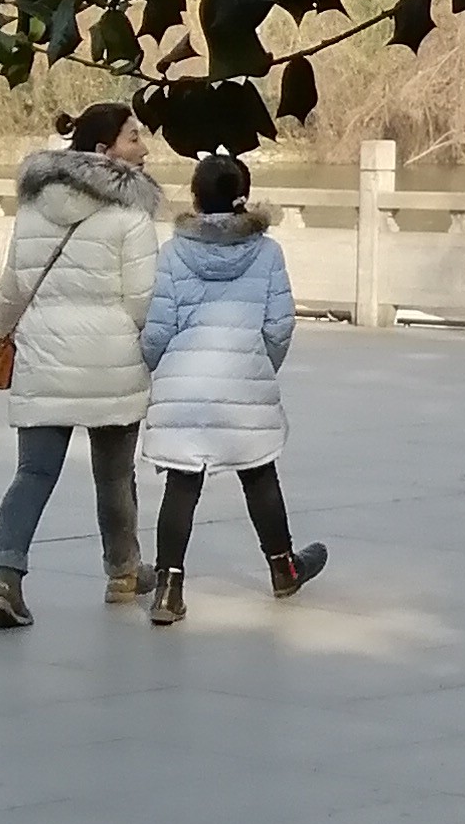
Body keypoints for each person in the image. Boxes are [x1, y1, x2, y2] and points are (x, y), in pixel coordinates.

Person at [0, 103, 162, 633]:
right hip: (111, 358)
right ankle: (123, 572)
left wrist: (3, 338)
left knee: (33, 474)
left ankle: (5, 578)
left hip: (44, 354)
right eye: (134, 138)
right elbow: (143, 301)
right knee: (113, 474)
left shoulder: (34, 207)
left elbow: (13, 286)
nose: (144, 149)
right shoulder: (131, 214)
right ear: (105, 151)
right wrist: (148, 351)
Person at [133, 148, 327, 626]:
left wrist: (161, 369)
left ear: (195, 199)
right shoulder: (267, 251)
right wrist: (260, 366)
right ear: (245, 197)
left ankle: (168, 591)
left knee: (182, 482)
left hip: (184, 381)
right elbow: (279, 326)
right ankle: (284, 570)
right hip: (245, 376)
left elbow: (157, 328)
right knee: (259, 473)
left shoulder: (174, 250)